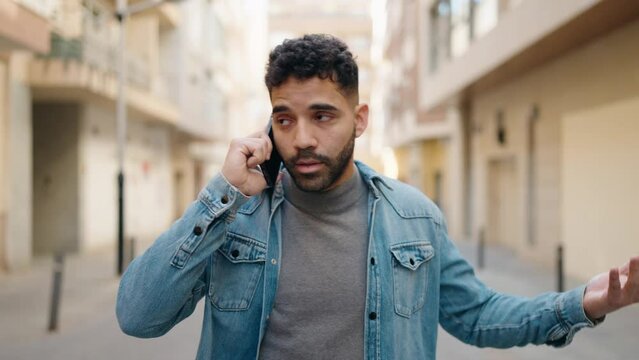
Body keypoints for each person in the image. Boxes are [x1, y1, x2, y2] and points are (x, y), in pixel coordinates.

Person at [116, 34, 639, 360]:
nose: (301, 138)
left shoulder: (414, 219)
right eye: (284, 118)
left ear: (359, 119)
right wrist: (222, 195)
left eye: (322, 115)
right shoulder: (236, 215)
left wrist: (579, 304)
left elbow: (477, 317)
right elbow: (138, 317)